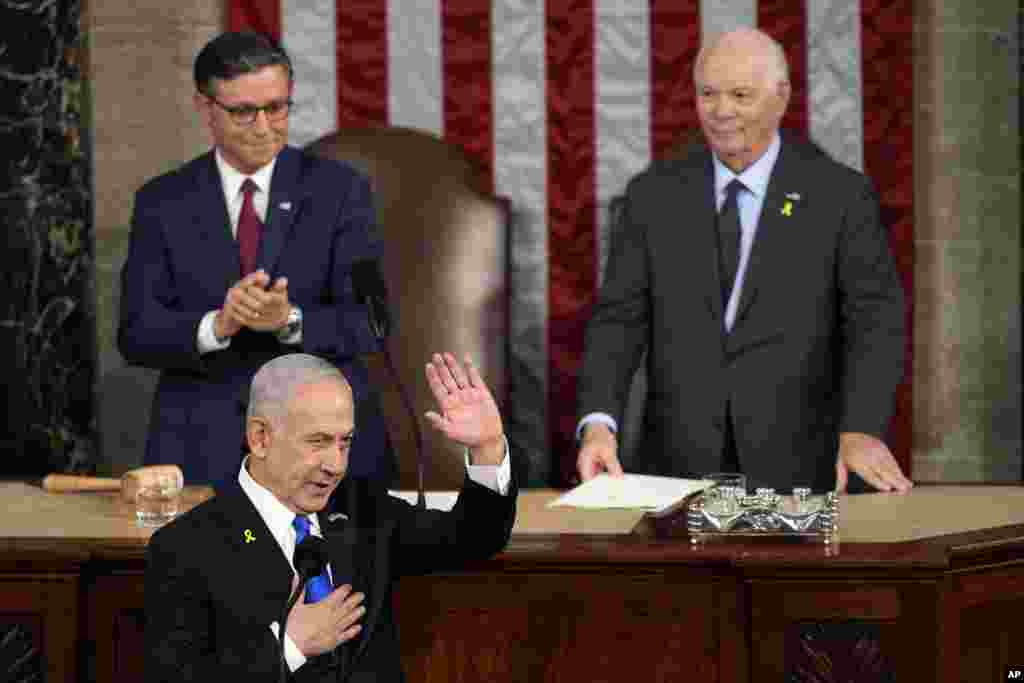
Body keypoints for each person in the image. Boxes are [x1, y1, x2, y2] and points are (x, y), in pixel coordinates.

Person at [576, 28, 913, 494]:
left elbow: (876, 322)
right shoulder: (653, 195)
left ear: (781, 97)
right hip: (678, 468)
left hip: (804, 468)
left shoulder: (839, 196)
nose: (721, 111)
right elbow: (618, 322)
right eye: (708, 94)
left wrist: (862, 428)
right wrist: (598, 423)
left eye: (740, 94)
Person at [118, 31, 393, 487]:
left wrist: (290, 319)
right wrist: (217, 326)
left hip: (320, 441)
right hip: (200, 441)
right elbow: (135, 331)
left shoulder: (341, 192)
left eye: (277, 108)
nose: (264, 127)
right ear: (205, 108)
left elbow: (372, 322)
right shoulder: (162, 201)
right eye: (244, 112)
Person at [145, 351, 515, 680]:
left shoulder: (363, 509)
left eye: (345, 442)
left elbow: (471, 537)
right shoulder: (186, 548)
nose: (335, 465)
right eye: (318, 442)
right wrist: (288, 645)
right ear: (260, 438)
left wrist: (487, 448)